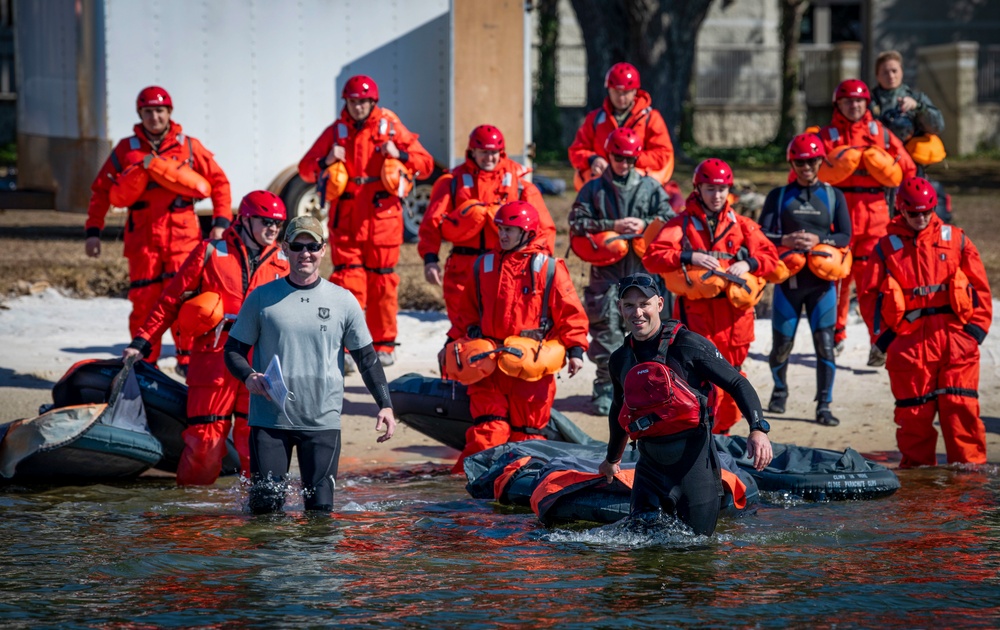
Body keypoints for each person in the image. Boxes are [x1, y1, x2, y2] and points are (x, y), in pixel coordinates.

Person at [224, 215, 396, 513]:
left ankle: (316, 562)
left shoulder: (343, 300)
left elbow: (366, 358)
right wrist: (249, 376)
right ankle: (269, 561)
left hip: (322, 421)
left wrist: (386, 404)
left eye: (313, 246)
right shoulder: (262, 298)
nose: (305, 253)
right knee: (266, 509)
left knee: (320, 512)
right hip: (270, 421)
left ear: (323, 250)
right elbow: (233, 350)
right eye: (298, 246)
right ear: (285, 249)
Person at [122, 191, 290, 485]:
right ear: (246, 219)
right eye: (266, 222)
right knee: (204, 446)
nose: (273, 229)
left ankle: (259, 519)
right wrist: (142, 342)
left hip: (260, 362)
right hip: (214, 360)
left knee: (255, 446)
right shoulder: (210, 251)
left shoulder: (284, 261)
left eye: (278, 223)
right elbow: (169, 302)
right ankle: (191, 519)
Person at [598, 273, 773, 536]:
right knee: (640, 558)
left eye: (644, 304)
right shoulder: (621, 359)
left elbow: (738, 383)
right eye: (629, 305)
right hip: (649, 473)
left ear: (659, 304)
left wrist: (758, 429)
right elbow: (618, 410)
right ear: (620, 308)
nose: (638, 313)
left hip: (695, 470)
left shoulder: (688, 345)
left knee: (697, 555)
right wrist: (612, 459)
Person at [86, 86, 232, 372]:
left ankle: (188, 361)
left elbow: (219, 184)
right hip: (143, 240)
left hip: (183, 239)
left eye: (160, 110)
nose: (155, 117)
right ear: (140, 114)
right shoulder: (126, 150)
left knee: (187, 301)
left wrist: (221, 224)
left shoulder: (189, 147)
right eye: (149, 111)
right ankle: (144, 364)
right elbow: (101, 191)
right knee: (144, 303)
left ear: (169, 113)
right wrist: (93, 230)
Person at [298, 74, 435, 366]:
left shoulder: (390, 127)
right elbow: (305, 171)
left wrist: (401, 154)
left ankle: (384, 344)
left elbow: (426, 164)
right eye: (352, 101)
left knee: (383, 281)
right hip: (346, 220)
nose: (357, 106)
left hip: (383, 219)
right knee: (347, 283)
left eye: (363, 101)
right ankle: (347, 349)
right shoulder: (335, 133)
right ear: (345, 102)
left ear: (373, 102)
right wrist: (325, 161)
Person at [859, 177, 992, 468]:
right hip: (909, 345)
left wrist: (974, 332)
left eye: (926, 212)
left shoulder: (956, 239)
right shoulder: (886, 247)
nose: (920, 218)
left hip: (957, 342)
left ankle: (970, 498)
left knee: (962, 413)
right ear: (901, 210)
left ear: (934, 208)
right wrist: (885, 340)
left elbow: (981, 288)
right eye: (913, 213)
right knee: (914, 421)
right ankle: (918, 499)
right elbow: (869, 297)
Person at [448, 201, 589, 473]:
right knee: (488, 432)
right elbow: (464, 314)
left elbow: (571, 313)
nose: (503, 235)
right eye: (500, 228)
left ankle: (518, 501)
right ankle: (463, 498)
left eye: (510, 230)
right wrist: (451, 347)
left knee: (528, 437)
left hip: (531, 371)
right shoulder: (482, 265)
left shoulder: (548, 268)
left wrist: (576, 351)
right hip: (488, 367)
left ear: (527, 232)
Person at [643, 159, 779, 435]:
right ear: (698, 189)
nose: (716, 195)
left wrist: (749, 264)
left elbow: (771, 258)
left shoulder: (741, 225)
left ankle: (724, 436)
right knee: (696, 382)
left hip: (734, 319)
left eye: (721, 189)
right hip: (697, 317)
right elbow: (653, 257)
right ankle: (701, 436)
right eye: (710, 189)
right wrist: (688, 255)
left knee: (733, 380)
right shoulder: (681, 224)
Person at [567, 126, 676, 416]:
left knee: (649, 326)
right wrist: (611, 226)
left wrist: (644, 224)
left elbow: (670, 220)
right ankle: (607, 388)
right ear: (609, 155)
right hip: (606, 270)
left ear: (636, 157)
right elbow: (576, 222)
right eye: (618, 157)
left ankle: (651, 385)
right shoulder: (593, 188)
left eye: (629, 158)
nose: (623, 163)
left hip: (642, 269)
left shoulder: (651, 187)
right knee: (606, 328)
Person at [815, 78, 917, 363]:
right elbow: (804, 172)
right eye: (848, 100)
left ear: (866, 103)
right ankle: (836, 335)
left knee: (873, 284)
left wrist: (910, 209)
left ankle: (878, 343)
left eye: (859, 100)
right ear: (838, 104)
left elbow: (908, 169)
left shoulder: (881, 134)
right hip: (838, 215)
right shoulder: (827, 136)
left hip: (875, 217)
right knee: (837, 279)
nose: (854, 105)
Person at [418, 124, 556, 327]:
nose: (489, 158)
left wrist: (541, 264)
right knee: (464, 330)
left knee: (506, 327)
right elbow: (431, 223)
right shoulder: (452, 182)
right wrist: (430, 260)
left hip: (506, 267)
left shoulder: (519, 184)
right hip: (462, 269)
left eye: (494, 153)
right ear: (472, 151)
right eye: (484, 152)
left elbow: (544, 228)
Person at [758, 134, 852, 426]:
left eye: (812, 161)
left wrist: (819, 239)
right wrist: (785, 238)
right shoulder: (779, 195)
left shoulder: (834, 195)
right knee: (781, 345)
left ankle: (824, 405)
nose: (806, 166)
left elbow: (845, 235)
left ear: (821, 161)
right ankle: (780, 390)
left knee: (825, 344)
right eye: (800, 162)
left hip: (822, 286)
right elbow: (760, 235)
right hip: (789, 283)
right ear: (793, 163)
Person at [567, 62, 682, 209]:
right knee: (584, 178)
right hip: (603, 185)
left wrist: (628, 160)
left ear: (635, 91)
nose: (621, 98)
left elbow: (663, 154)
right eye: (616, 92)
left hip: (639, 185)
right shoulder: (594, 119)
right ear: (608, 90)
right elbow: (576, 151)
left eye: (626, 92)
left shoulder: (651, 118)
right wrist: (593, 159)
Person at [870, 51, 945, 150]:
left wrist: (918, 108)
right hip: (880, 155)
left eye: (894, 71)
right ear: (877, 76)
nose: (891, 76)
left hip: (909, 158)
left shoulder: (917, 98)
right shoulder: (868, 101)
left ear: (902, 72)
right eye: (885, 72)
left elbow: (937, 127)